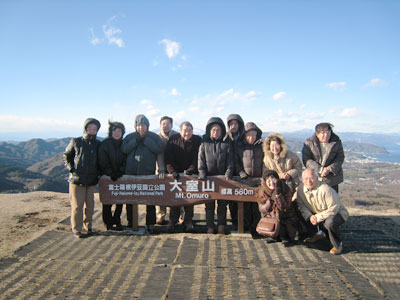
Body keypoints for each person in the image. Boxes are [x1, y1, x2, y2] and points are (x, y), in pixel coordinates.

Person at [121, 114, 163, 232]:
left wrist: (146, 140)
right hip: (131, 173)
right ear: (135, 126)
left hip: (148, 172)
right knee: (130, 200)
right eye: (139, 125)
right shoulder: (129, 137)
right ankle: (131, 222)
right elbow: (124, 150)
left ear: (147, 126)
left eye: (143, 125)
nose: (141, 128)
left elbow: (158, 149)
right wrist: (136, 141)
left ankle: (150, 223)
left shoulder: (154, 137)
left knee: (150, 199)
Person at [295, 168, 349, 254]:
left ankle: (337, 245)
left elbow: (334, 208)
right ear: (302, 180)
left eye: (311, 178)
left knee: (329, 223)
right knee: (298, 211)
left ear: (317, 178)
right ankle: (317, 234)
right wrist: (310, 216)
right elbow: (300, 205)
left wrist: (317, 217)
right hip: (317, 213)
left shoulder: (325, 189)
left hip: (336, 214)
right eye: (306, 179)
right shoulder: (301, 189)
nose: (309, 181)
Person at [63, 118, 101, 238]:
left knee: (90, 205)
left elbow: (100, 161)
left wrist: (99, 173)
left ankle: (88, 226)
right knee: (77, 206)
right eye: (90, 128)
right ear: (85, 128)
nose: (92, 130)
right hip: (77, 180)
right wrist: (72, 169)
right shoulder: (76, 141)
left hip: (91, 181)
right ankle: (76, 229)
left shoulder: (98, 144)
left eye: (94, 129)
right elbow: (67, 156)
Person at [198, 117, 234, 234]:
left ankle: (221, 225)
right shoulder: (204, 143)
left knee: (222, 206)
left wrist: (228, 173)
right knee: (209, 206)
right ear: (209, 130)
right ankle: (210, 226)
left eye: (218, 130)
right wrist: (202, 174)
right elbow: (201, 160)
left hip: (222, 180)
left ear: (222, 130)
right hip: (208, 179)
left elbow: (230, 162)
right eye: (213, 130)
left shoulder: (226, 144)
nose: (216, 132)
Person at [164, 121, 202, 232]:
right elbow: (168, 158)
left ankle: (188, 221)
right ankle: (172, 221)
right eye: (185, 130)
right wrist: (172, 171)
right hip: (175, 174)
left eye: (190, 130)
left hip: (190, 174)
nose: (187, 133)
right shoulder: (173, 140)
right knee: (175, 198)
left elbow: (198, 157)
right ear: (180, 131)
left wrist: (192, 169)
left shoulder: (197, 140)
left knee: (190, 199)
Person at [234, 122, 263, 236]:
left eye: (254, 135)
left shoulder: (261, 147)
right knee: (245, 205)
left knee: (256, 206)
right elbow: (235, 162)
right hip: (244, 180)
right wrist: (241, 173)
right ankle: (245, 226)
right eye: (249, 135)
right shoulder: (239, 146)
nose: (251, 137)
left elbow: (265, 162)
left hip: (258, 181)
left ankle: (256, 227)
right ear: (244, 135)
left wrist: (264, 175)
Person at [256, 170, 298, 246]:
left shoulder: (285, 188)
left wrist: (278, 197)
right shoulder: (262, 190)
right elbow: (262, 208)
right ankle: (274, 236)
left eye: (273, 179)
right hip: (271, 217)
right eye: (268, 180)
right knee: (271, 216)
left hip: (286, 216)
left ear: (277, 179)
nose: (271, 182)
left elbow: (286, 207)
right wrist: (269, 202)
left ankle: (286, 237)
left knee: (285, 218)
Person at [98, 121, 126, 231]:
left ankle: (117, 220)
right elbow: (102, 161)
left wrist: (120, 171)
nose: (117, 133)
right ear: (110, 132)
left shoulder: (124, 143)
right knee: (107, 201)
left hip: (120, 176)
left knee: (120, 201)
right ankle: (108, 223)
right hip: (107, 177)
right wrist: (110, 173)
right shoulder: (105, 143)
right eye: (114, 131)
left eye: (119, 131)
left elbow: (126, 159)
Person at [302, 123, 345, 193]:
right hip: (314, 177)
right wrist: (320, 169)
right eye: (323, 133)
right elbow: (307, 159)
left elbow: (340, 158)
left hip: (332, 179)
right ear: (317, 134)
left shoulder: (336, 142)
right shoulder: (309, 143)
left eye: (328, 132)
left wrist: (329, 169)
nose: (326, 135)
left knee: (331, 200)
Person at [156, 116, 178, 225]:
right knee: (161, 193)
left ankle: (180, 215)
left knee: (179, 191)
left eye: (168, 123)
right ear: (160, 125)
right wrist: (161, 169)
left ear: (172, 125)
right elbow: (158, 154)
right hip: (160, 169)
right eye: (163, 123)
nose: (166, 126)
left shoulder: (177, 135)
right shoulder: (157, 137)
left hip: (175, 169)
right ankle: (161, 215)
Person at [225, 114, 245, 229]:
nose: (234, 126)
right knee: (232, 200)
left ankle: (245, 223)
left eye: (236, 123)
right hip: (229, 172)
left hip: (243, 172)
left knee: (245, 199)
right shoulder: (225, 137)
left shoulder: (244, 137)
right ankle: (235, 222)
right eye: (231, 124)